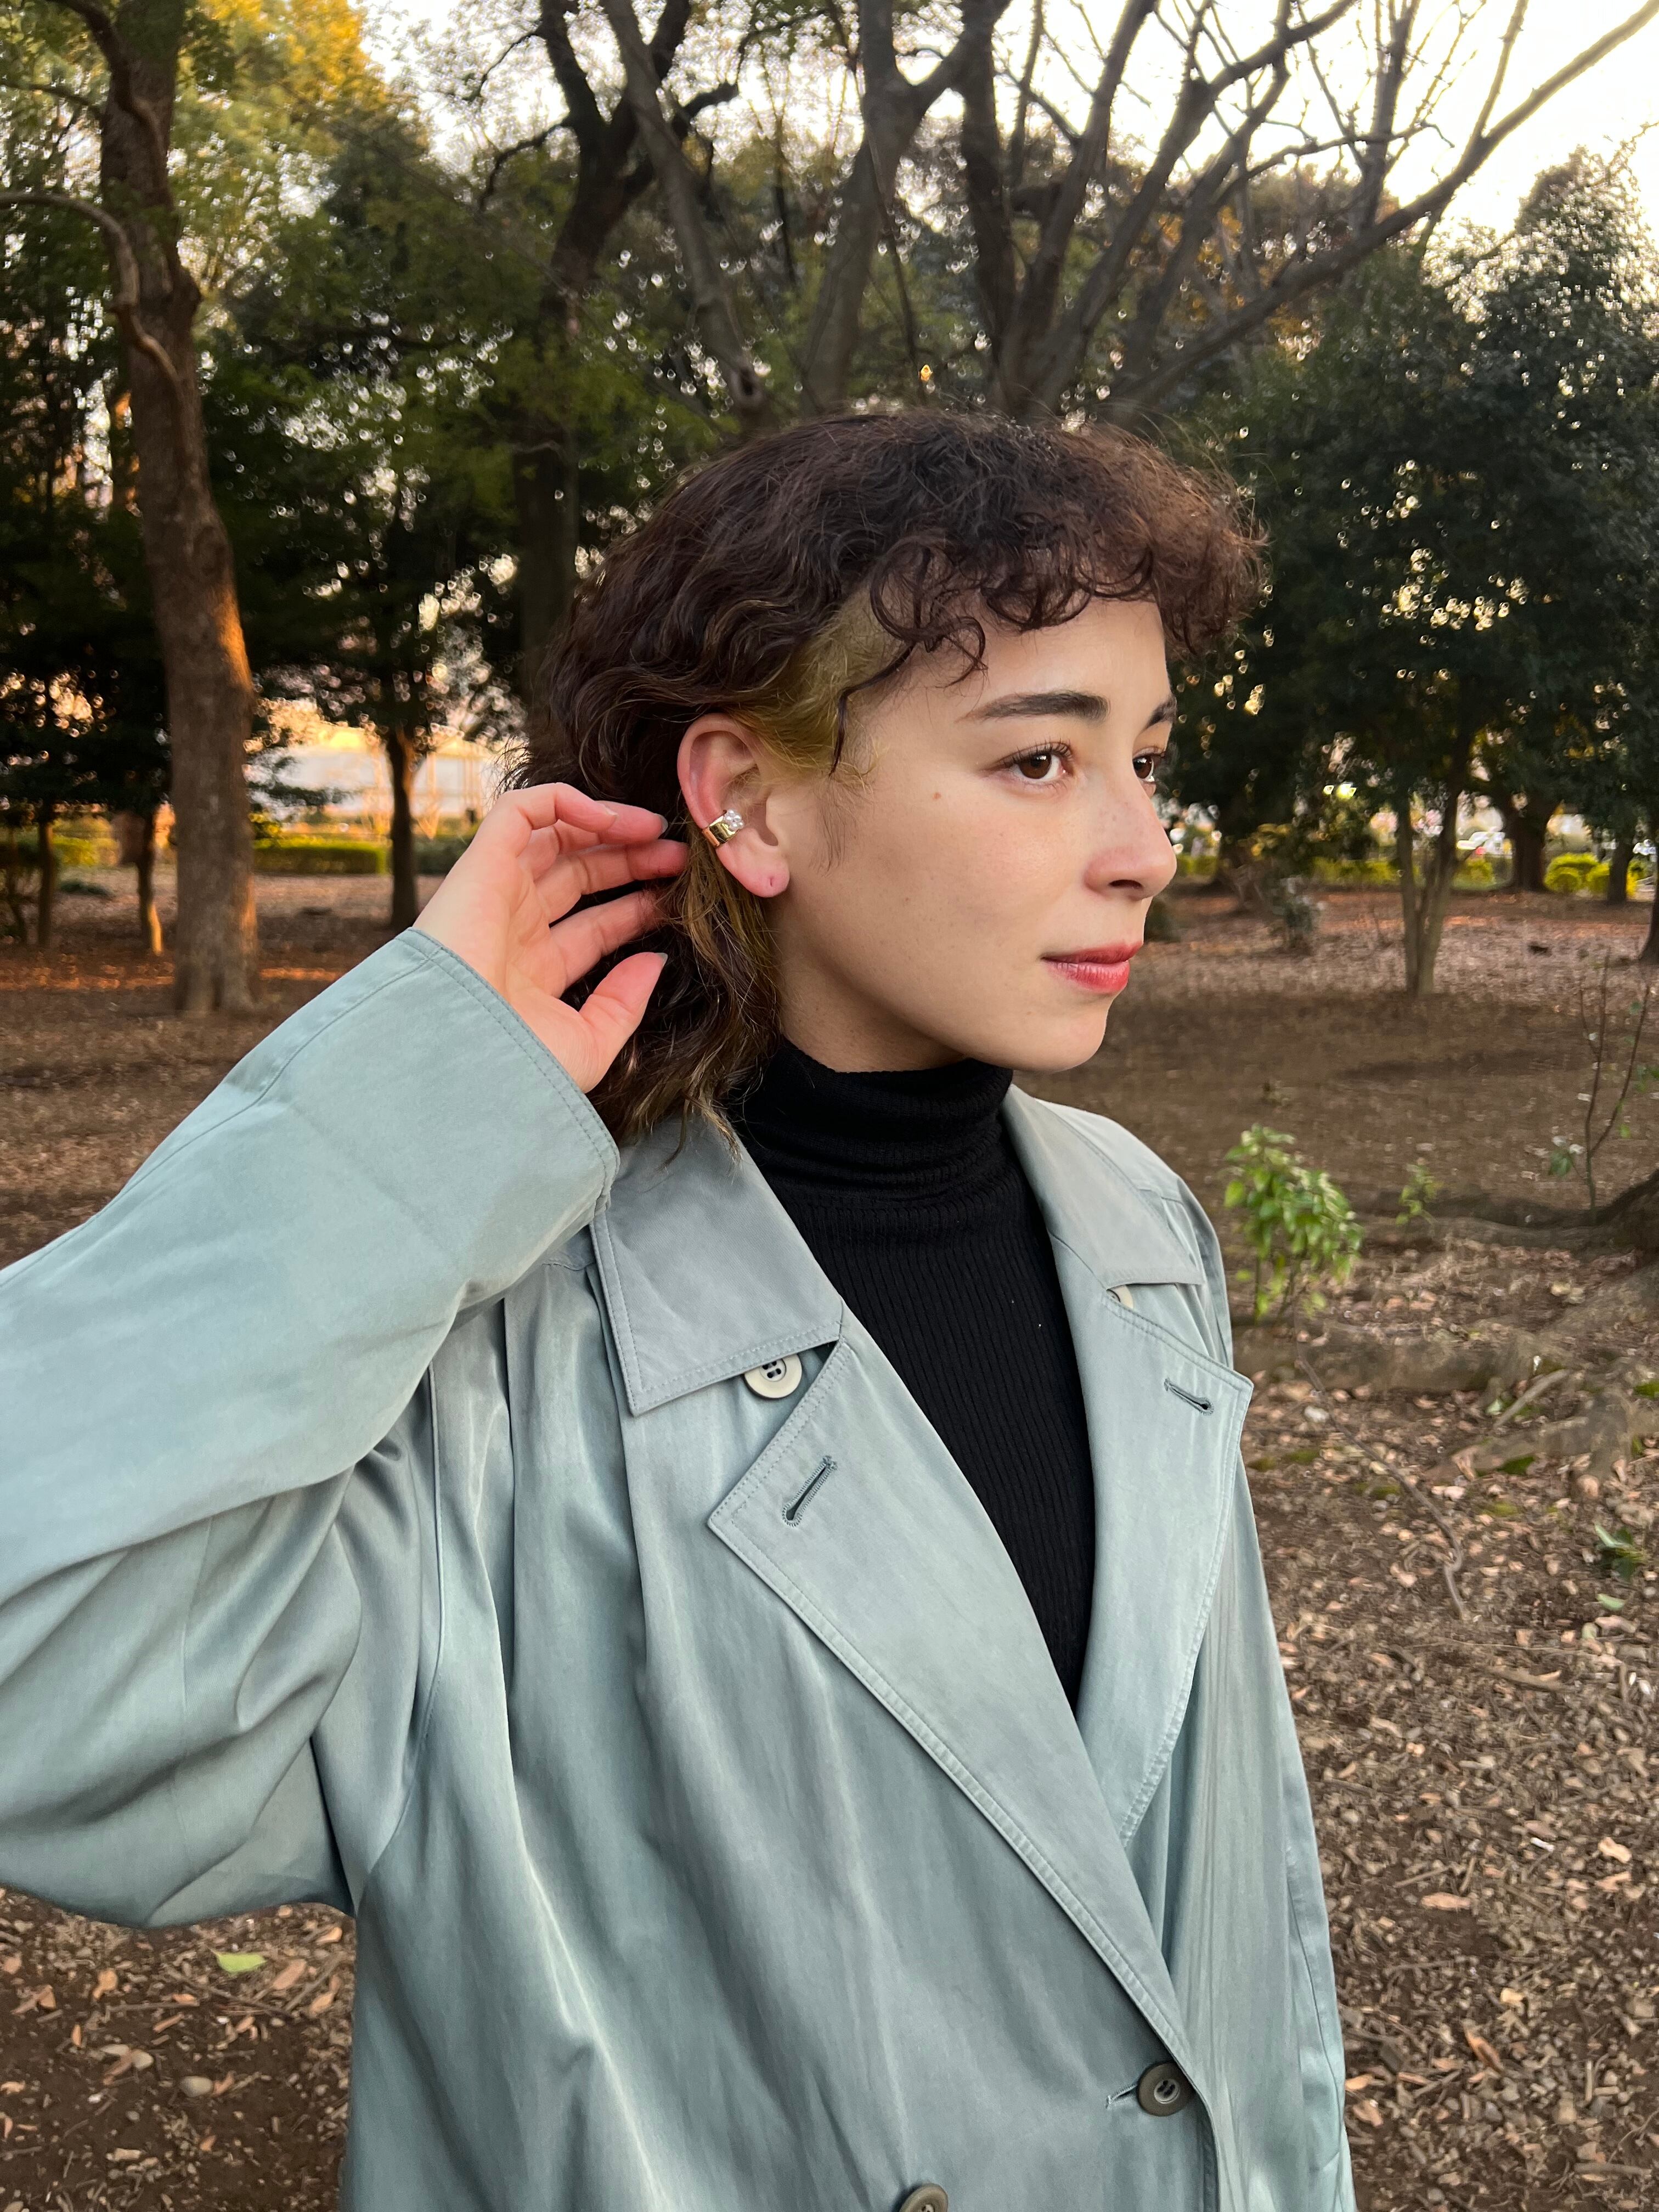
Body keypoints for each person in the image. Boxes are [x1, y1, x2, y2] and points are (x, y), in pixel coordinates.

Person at [0, 413, 1353, 2212]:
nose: (1145, 848)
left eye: (1148, 758)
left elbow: (1240, 1919)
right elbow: (37, 1676)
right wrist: (396, 1114)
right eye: (1040, 760)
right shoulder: (487, 1351)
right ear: (749, 803)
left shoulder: (1142, 1227)